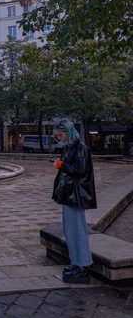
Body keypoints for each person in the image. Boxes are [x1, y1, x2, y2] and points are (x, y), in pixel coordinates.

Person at [52, 119, 97, 284]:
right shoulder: (70, 147)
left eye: (61, 134)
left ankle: (83, 266)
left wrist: (61, 165)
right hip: (69, 195)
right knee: (70, 231)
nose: (59, 137)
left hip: (76, 196)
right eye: (58, 135)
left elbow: (80, 171)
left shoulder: (81, 148)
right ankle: (76, 263)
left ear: (68, 131)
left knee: (77, 230)